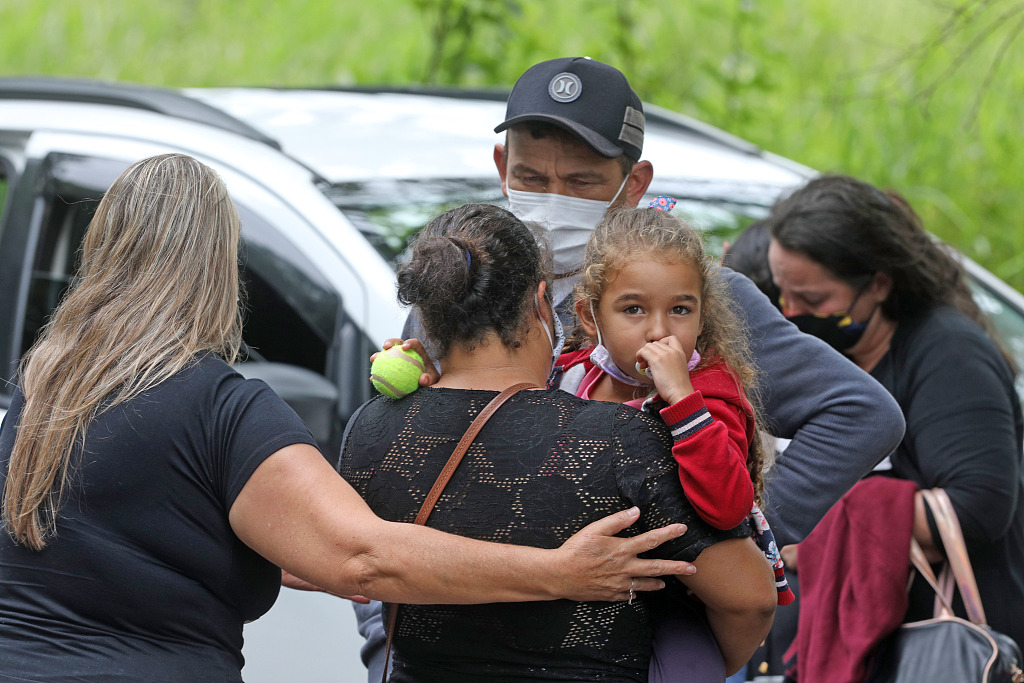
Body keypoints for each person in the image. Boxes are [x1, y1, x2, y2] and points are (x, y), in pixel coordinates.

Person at [0, 154, 717, 682]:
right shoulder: (221, 404)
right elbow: (365, 555)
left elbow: (137, 535)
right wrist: (560, 570)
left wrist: (284, 546)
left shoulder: (44, 389)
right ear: (221, 261)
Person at [340, 203, 777, 681]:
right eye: (632, 308)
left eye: (679, 309)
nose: (657, 331)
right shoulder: (615, 431)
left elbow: (350, 569)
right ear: (546, 304)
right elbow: (750, 601)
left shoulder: (373, 429)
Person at [765, 174, 1024, 652]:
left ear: (879, 284)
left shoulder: (949, 355)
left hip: (937, 647)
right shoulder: (821, 356)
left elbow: (978, 504)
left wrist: (819, 529)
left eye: (814, 300)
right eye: (784, 293)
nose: (791, 312)